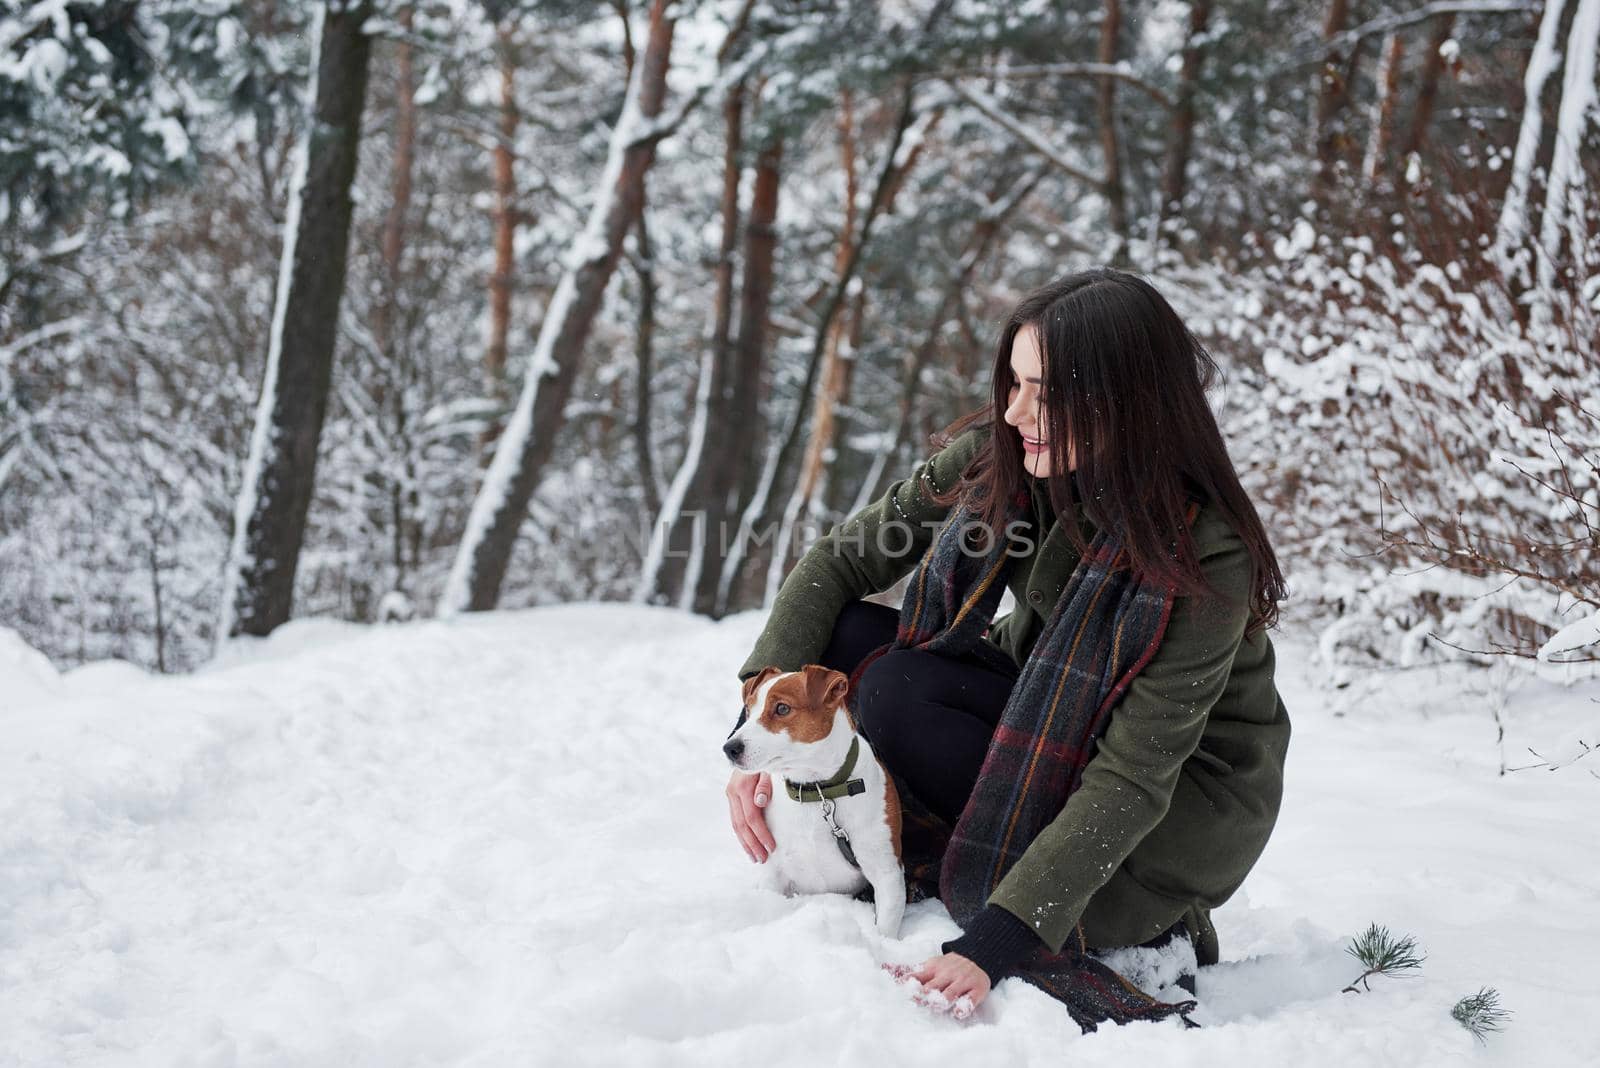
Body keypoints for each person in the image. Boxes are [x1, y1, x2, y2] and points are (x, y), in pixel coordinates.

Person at [727, 267, 1291, 1015]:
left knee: (896, 693)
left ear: (1125, 402)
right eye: (1015, 383)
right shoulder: (1006, 457)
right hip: (1050, 709)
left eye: (1046, 393)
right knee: (855, 644)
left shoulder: (1201, 553)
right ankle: (978, 835)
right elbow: (841, 559)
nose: (1018, 411)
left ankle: (1126, 913)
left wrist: (996, 941)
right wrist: (752, 740)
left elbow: (1135, 772)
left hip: (1177, 798)